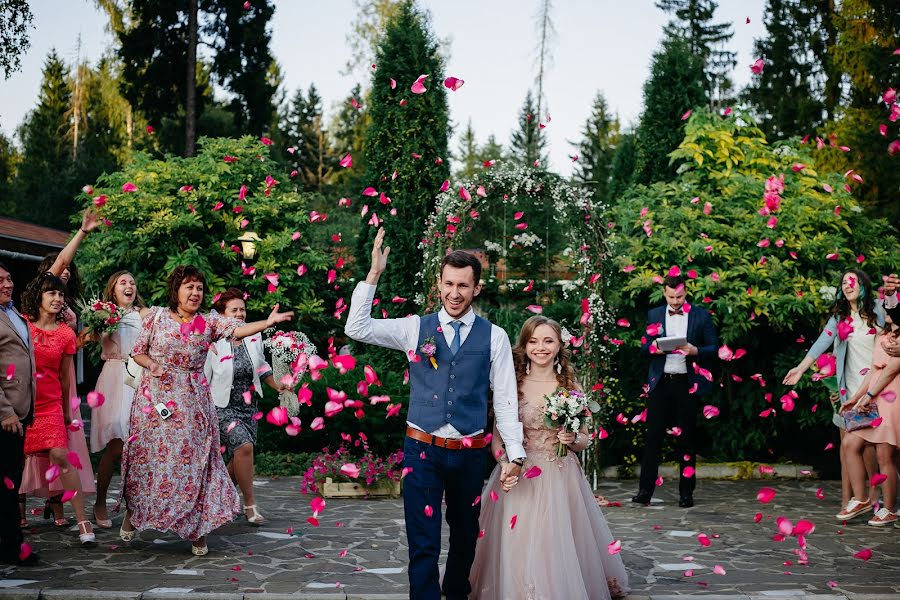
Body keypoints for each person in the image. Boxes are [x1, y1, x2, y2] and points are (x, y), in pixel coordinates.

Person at [345, 228, 525, 600]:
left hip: (470, 452)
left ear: (476, 288)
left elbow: (506, 399)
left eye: (463, 285)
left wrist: (516, 454)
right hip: (422, 449)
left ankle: (456, 593)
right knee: (423, 542)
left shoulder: (495, 337)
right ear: (438, 284)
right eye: (448, 284)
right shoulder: (416, 328)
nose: (454, 293)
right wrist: (374, 274)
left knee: (463, 538)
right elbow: (356, 327)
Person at [118, 266, 292, 556]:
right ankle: (134, 515)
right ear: (176, 290)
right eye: (189, 287)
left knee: (194, 464)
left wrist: (267, 322)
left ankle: (198, 531)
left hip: (192, 403)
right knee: (150, 462)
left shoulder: (209, 322)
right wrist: (153, 366)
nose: (195, 293)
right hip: (156, 400)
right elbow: (138, 351)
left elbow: (236, 329)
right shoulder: (157, 317)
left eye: (199, 287)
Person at [468, 315, 629, 599]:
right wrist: (505, 463)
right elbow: (497, 438)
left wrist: (572, 439)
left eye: (548, 341)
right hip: (519, 474)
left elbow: (585, 438)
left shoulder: (568, 385)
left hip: (559, 475)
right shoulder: (512, 382)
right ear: (524, 345)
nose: (540, 347)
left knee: (555, 539)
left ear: (558, 346)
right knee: (517, 538)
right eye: (533, 341)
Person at [19, 210, 99, 527]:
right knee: (13, 461)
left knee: (60, 455)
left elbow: (62, 267)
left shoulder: (64, 326)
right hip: (20, 398)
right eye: (50, 289)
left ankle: (76, 518)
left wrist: (82, 231)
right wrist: (81, 231)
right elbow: (59, 265)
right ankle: (16, 513)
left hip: (53, 394)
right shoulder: (22, 318)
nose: (56, 292)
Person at [783, 269, 884, 509]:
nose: (848, 286)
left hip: (876, 386)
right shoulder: (840, 318)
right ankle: (859, 499)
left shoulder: (878, 310)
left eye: (853, 281)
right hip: (849, 391)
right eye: (843, 283)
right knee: (852, 445)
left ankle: (875, 497)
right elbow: (822, 342)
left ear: (863, 285)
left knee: (872, 447)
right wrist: (800, 368)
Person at [203, 287, 291, 526]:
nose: (240, 314)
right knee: (244, 447)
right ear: (222, 314)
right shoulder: (213, 339)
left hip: (248, 405)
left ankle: (217, 496)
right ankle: (249, 505)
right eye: (234, 310)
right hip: (221, 406)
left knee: (240, 457)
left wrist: (279, 386)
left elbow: (261, 367)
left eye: (243, 309)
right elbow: (203, 376)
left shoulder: (253, 336)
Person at [633, 272, 719, 508]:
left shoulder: (701, 316)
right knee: (652, 438)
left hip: (686, 384)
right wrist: (653, 348)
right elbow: (643, 347)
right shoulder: (654, 314)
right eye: (671, 297)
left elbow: (714, 348)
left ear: (686, 292)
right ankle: (645, 491)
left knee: (687, 440)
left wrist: (694, 351)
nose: (675, 302)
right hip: (660, 383)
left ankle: (686, 493)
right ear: (664, 293)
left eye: (679, 297)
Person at [88, 271, 150, 528]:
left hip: (138, 378)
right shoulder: (102, 314)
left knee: (138, 447)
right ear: (112, 289)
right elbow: (88, 339)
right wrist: (99, 323)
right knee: (115, 446)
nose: (129, 286)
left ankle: (134, 507)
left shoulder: (144, 314)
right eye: (123, 283)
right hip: (113, 379)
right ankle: (100, 502)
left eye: (133, 282)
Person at [837, 305, 900, 525]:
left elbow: (892, 369)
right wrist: (856, 397)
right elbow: (874, 370)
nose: (887, 310)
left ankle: (889, 509)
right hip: (873, 397)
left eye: (892, 307)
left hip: (892, 397)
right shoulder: (882, 334)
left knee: (885, 455)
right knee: (850, 444)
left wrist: (869, 395)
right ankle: (862, 499)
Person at [0, 261, 40, 565]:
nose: (7, 284)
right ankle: (13, 546)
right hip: (6, 414)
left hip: (22, 410)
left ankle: (10, 544)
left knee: (10, 480)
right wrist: (5, 412)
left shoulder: (15, 313)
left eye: (9, 278)